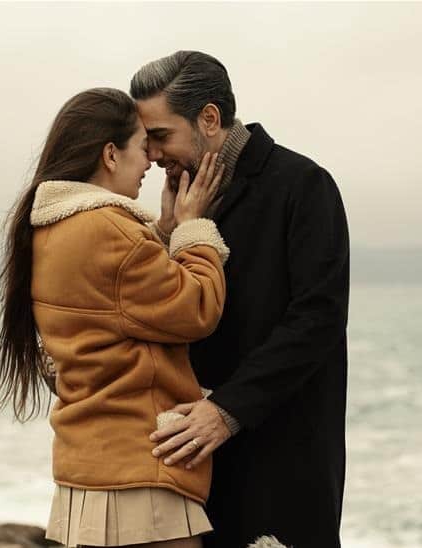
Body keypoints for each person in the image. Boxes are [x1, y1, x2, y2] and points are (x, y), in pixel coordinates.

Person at [0, 87, 231, 548]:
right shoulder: (111, 229)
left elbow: (112, 304)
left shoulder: (50, 227)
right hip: (138, 474)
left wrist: (160, 234)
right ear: (110, 154)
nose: (151, 162)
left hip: (88, 467)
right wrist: (192, 230)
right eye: (142, 147)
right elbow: (197, 308)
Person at [130, 51, 350, 548]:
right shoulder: (179, 197)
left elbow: (318, 319)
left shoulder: (303, 184)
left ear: (209, 118)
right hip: (194, 460)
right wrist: (168, 233)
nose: (153, 154)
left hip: (281, 451)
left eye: (161, 136)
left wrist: (226, 410)